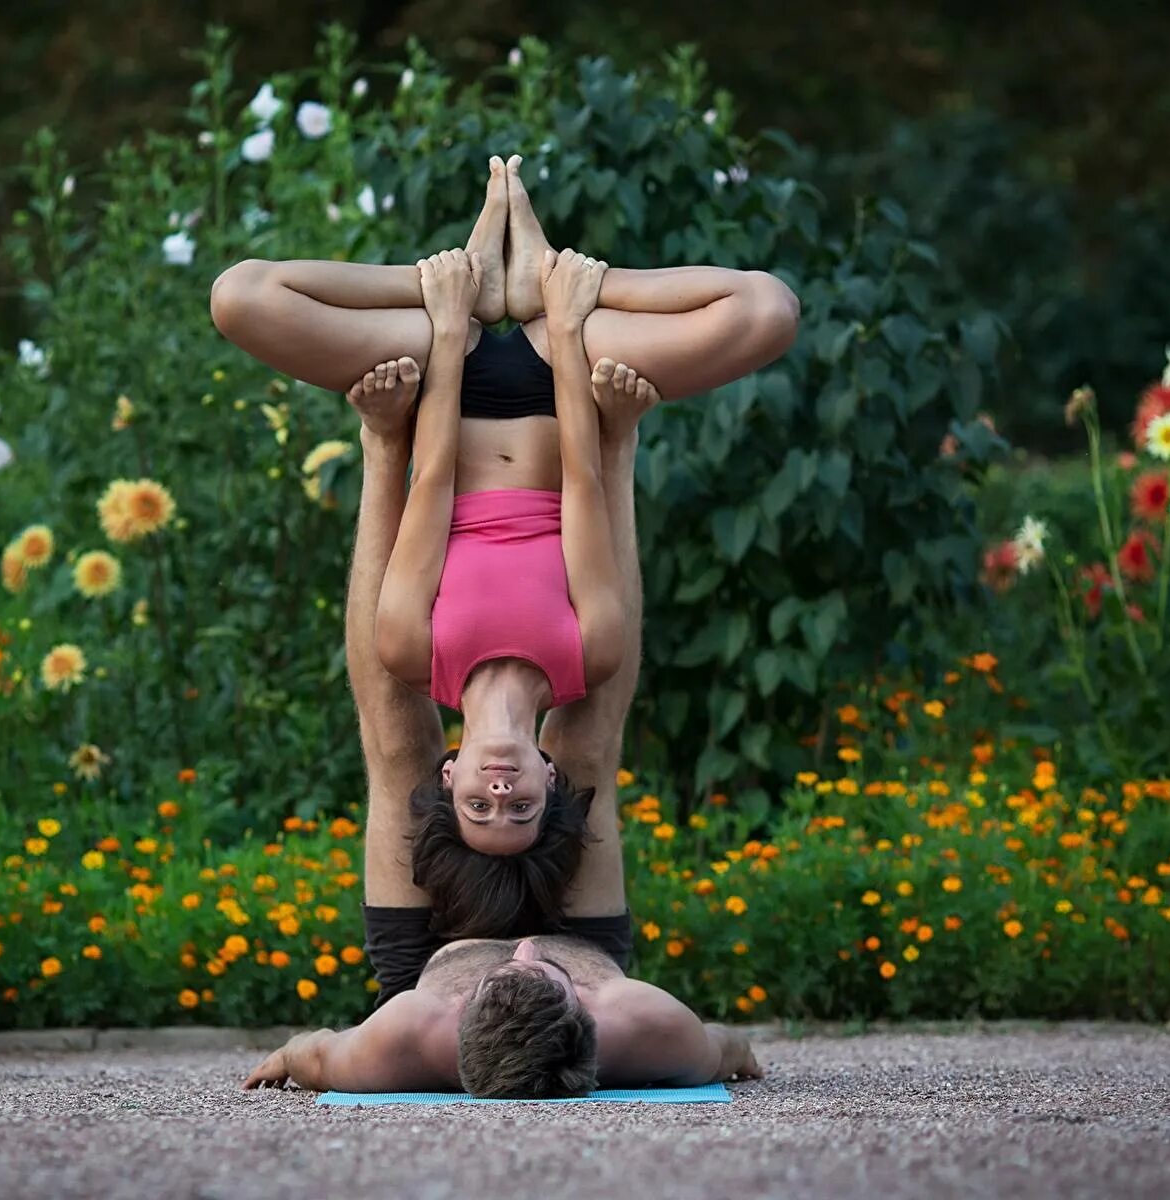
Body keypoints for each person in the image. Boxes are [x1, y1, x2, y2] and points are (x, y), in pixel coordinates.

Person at [209, 156, 798, 932]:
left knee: (241, 297)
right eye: (517, 805)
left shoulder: (411, 651)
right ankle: (555, 272)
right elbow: (584, 485)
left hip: (437, 375)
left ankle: (461, 275)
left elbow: (433, 483)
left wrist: (451, 320)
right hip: (566, 381)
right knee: (767, 309)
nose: (499, 786)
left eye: (479, 803)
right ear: (550, 781)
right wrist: (564, 314)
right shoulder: (591, 653)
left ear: (446, 777)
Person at [241, 337, 762, 1097]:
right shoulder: (645, 1028)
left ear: (452, 1033)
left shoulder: (402, 1041)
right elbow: (726, 1049)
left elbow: (312, 1051)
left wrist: (290, 1055)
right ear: (588, 1016)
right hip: (585, 939)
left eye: (508, 974)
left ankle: (380, 439)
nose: (522, 951)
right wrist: (734, 1053)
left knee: (398, 746)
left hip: (431, 960)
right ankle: (620, 441)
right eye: (544, 976)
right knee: (584, 752)